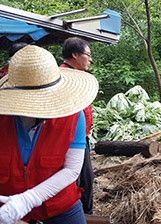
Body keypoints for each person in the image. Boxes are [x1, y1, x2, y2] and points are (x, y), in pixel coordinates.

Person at [0, 45, 98, 224]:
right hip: (6, 204)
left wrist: (28, 199)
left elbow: (72, 169)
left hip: (59, 203)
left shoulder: (73, 115)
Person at [60, 36, 95, 214]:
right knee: (83, 179)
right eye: (87, 55)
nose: (90, 59)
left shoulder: (76, 75)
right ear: (74, 55)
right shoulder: (63, 77)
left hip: (81, 136)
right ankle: (83, 214)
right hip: (72, 139)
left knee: (84, 178)